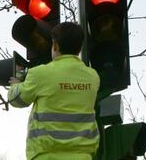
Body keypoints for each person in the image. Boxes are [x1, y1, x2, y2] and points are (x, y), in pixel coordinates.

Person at [8, 22, 100, 160]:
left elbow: (17, 100)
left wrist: (15, 85)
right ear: (80, 48)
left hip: (46, 156)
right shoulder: (93, 77)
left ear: (55, 45)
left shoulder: (40, 74)